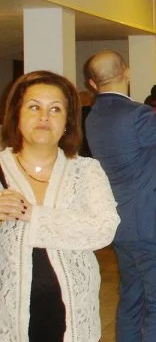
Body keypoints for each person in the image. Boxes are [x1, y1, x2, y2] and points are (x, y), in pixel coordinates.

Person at [0, 70, 119, 341]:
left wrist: (34, 216)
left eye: (55, 109)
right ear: (16, 115)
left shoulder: (86, 171)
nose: (44, 117)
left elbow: (104, 229)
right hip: (9, 315)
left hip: (73, 312)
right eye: (34, 107)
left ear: (68, 121)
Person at [84, 50, 156, 341]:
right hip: (152, 223)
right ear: (127, 72)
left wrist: (154, 151)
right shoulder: (138, 114)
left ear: (93, 83)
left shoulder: (94, 118)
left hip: (122, 222)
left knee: (131, 299)